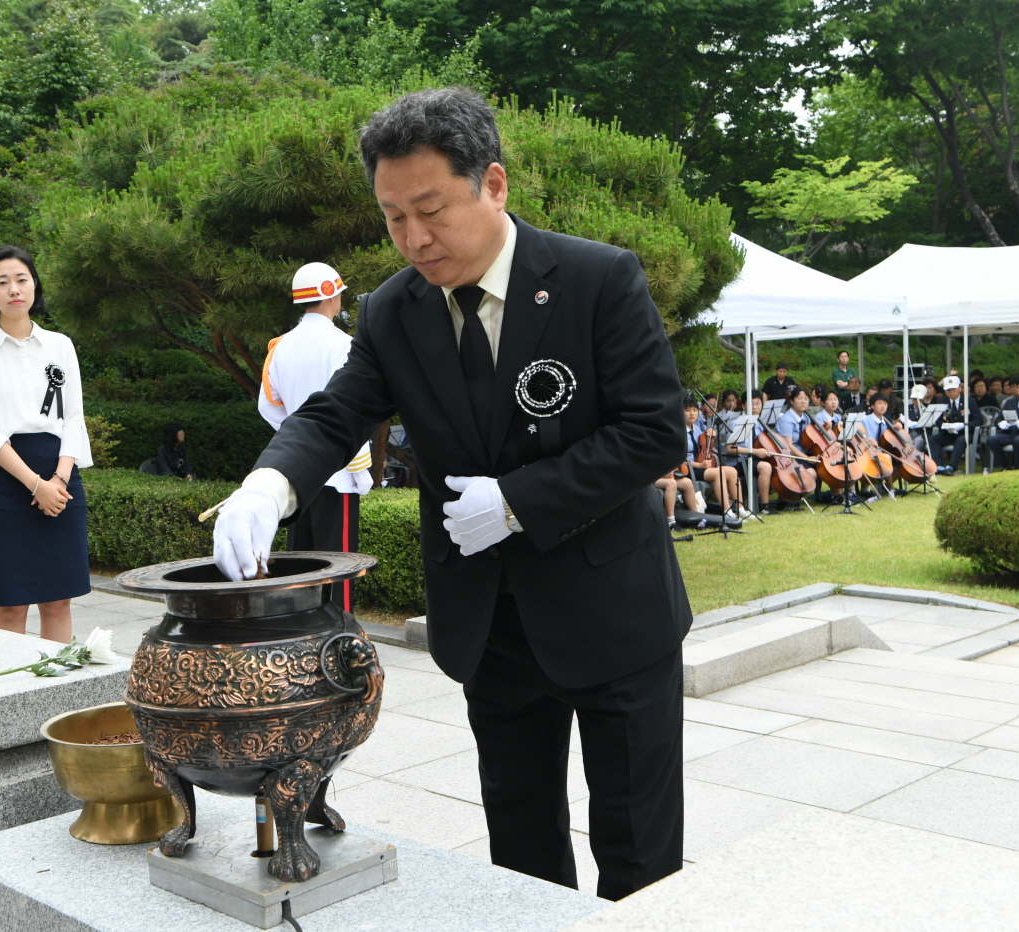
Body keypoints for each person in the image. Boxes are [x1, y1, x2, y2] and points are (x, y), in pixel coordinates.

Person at [210, 88, 691, 900]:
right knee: (521, 848)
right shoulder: (393, 310)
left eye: (430, 210)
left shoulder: (595, 279)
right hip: (491, 622)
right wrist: (269, 483)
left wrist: (517, 500)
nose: (414, 238)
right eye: (393, 217)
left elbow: (652, 432)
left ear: (492, 184)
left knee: (639, 852)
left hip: (614, 611)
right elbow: (334, 414)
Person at [0, 245, 93, 643]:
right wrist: (36, 485)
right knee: (11, 604)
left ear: (34, 284)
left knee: (58, 601)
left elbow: (74, 419)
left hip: (61, 480)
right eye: (2, 282)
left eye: (22, 279)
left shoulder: (60, 346)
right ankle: (13, 683)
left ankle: (56, 680)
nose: (14, 289)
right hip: (6, 484)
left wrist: (58, 481)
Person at [258, 261, 374, 611]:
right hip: (338, 471)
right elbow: (353, 412)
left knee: (301, 565)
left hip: (297, 473)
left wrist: (300, 443)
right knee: (340, 567)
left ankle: (302, 632)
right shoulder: (345, 345)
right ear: (331, 296)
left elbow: (268, 406)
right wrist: (360, 469)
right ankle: (341, 634)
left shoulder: (280, 347)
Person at [684, 397, 746, 516]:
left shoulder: (697, 429)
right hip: (688, 469)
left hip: (701, 466)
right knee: (719, 473)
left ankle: (741, 509)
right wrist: (699, 465)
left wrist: (712, 435)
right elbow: (678, 459)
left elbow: (705, 446)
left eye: (694, 410)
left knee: (732, 471)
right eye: (687, 410)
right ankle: (727, 511)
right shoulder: (679, 432)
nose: (692, 413)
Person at [774, 386, 820, 493]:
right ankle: (796, 495)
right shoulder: (786, 420)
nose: (803, 401)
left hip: (803, 453)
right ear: (792, 401)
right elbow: (789, 446)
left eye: (806, 399)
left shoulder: (806, 417)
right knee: (811, 473)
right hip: (790, 455)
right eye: (799, 398)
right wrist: (807, 458)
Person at [930, 375, 978, 475]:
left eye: (953, 389)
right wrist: (944, 426)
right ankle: (938, 466)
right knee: (933, 439)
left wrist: (964, 425)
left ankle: (951, 467)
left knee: (961, 440)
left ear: (960, 388)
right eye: (948, 389)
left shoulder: (969, 401)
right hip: (948, 433)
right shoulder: (941, 401)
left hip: (964, 432)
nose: (951, 391)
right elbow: (937, 420)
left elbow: (978, 420)